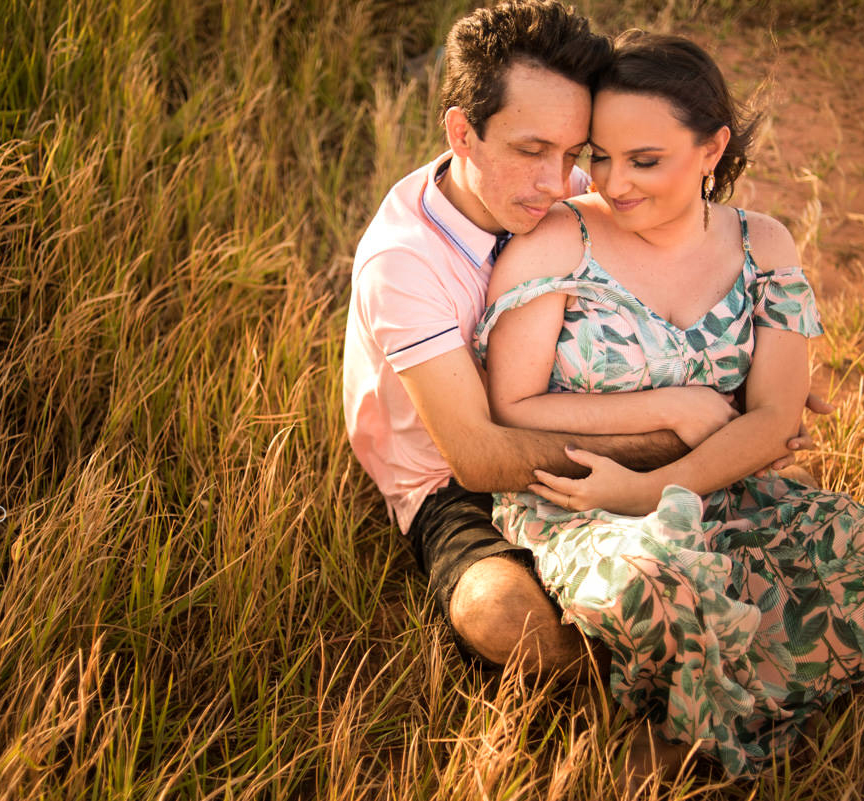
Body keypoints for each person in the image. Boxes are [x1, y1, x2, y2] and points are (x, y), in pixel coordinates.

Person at [472, 31, 864, 776]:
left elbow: (774, 418)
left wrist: (660, 487)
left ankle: (703, 713)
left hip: (730, 483)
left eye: (645, 160)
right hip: (584, 496)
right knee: (654, 586)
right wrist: (671, 406)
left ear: (713, 149)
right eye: (600, 155)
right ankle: (686, 718)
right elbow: (514, 405)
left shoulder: (766, 244)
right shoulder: (561, 239)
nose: (613, 181)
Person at [342, 0, 823, 682]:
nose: (560, 179)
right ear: (462, 132)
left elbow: (687, 271)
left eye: (575, 152)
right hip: (453, 476)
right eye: (532, 149)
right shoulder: (405, 263)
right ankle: (632, 686)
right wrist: (684, 427)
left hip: (575, 419)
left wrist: (765, 365)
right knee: (505, 614)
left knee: (759, 539)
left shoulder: (577, 186)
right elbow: (480, 456)